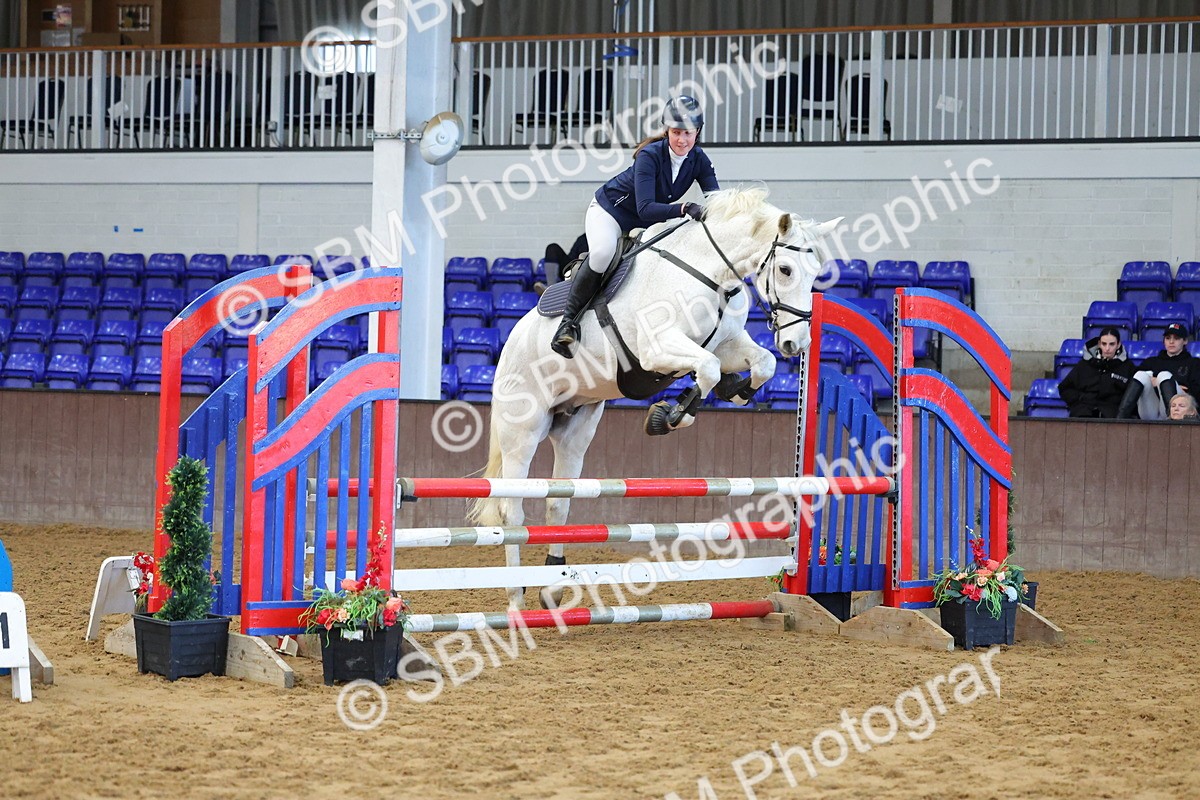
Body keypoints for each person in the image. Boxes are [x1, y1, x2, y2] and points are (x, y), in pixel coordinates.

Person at [550, 95, 721, 358]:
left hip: (645, 222)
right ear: (667, 131)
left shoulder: (699, 160)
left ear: (697, 132)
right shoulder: (650, 156)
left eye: (688, 133)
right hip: (610, 212)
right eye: (676, 132)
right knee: (603, 253)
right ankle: (568, 324)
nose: (682, 140)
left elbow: (715, 200)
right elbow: (645, 208)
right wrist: (684, 208)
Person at [1117, 323, 1199, 419]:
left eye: (1176, 338)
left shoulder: (1194, 363)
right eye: (1168, 338)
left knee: (1164, 375)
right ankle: (1120, 420)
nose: (1171, 342)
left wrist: (1170, 383)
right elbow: (1132, 382)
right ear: (1164, 341)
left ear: (1185, 341)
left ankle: (1172, 421)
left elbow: (1196, 392)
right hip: (1151, 409)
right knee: (1140, 375)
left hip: (1179, 411)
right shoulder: (1151, 361)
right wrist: (1158, 382)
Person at [1057, 327, 1137, 418]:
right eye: (1104, 344)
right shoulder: (1084, 364)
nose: (1107, 348)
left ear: (1118, 345)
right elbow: (1065, 387)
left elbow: (1133, 396)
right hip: (1082, 414)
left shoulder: (1128, 367)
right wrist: (1079, 401)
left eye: (1112, 344)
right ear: (1099, 344)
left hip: (1113, 417)